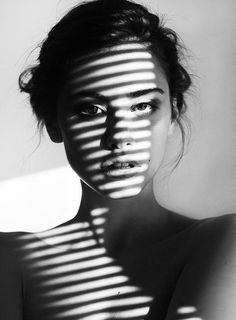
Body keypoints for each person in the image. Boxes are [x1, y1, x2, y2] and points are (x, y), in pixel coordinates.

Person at [1, 0, 236, 319]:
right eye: (91, 110)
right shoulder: (11, 260)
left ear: (173, 111)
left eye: (142, 106)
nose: (119, 136)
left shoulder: (220, 242)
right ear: (55, 122)